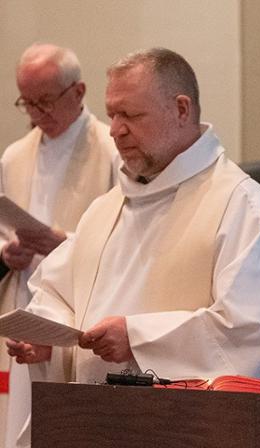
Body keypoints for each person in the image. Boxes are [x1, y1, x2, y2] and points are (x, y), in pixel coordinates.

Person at [7, 48, 260, 445]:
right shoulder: (105, 210)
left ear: (181, 109)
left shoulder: (241, 204)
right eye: (112, 114)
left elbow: (248, 332)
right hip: (94, 427)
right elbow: (55, 293)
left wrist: (136, 337)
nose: (115, 130)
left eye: (131, 115)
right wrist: (45, 341)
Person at [0, 43, 119, 448]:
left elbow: (124, 235)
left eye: (45, 101)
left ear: (79, 92)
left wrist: (61, 243)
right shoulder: (14, 155)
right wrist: (7, 252)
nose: (36, 114)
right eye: (27, 103)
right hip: (25, 299)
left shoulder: (112, 150)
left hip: (78, 308)